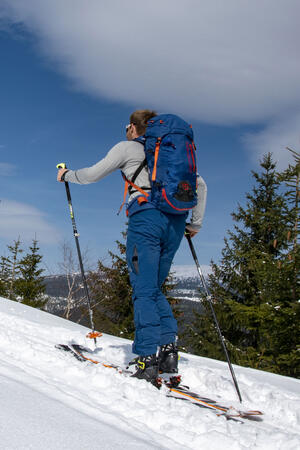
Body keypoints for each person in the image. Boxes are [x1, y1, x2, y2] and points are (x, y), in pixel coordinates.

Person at [57, 109, 207, 384]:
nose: (125, 130)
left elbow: (91, 175)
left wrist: (67, 175)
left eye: (127, 125)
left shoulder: (127, 148)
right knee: (154, 288)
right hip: (175, 222)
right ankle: (168, 352)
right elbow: (200, 185)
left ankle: (146, 358)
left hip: (146, 220)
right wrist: (194, 225)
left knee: (143, 289)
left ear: (134, 128)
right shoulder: (171, 150)